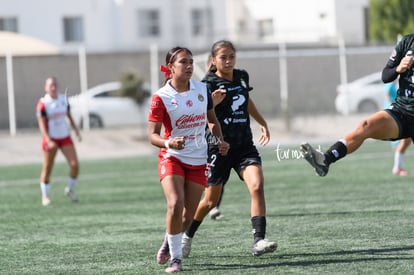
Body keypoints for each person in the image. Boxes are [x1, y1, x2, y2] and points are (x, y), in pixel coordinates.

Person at [182, 40, 277, 257]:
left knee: (257, 186)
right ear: (213, 61)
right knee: (210, 201)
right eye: (223, 57)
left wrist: (262, 122)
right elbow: (200, 116)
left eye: (231, 56)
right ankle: (188, 235)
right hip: (219, 148)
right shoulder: (207, 84)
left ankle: (259, 241)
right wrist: (212, 103)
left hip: (244, 145)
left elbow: (246, 100)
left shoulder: (242, 76)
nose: (228, 61)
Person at [148, 46, 229, 273]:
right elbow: (152, 135)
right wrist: (168, 143)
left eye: (191, 61)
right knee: (175, 204)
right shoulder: (160, 97)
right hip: (171, 157)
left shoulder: (202, 89)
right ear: (171, 67)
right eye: (183, 62)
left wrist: (219, 140)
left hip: (198, 158)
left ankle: (168, 240)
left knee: (188, 215)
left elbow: (212, 121)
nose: (189, 66)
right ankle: (176, 259)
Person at [300, 33, 414, 177]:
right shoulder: (407, 42)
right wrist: (398, 68)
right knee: (365, 126)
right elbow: (386, 76)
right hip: (402, 112)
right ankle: (325, 159)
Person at [36, 76, 81, 206]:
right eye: (50, 85)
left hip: (65, 137)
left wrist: (76, 131)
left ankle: (70, 189)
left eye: (55, 85)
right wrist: (48, 139)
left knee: (75, 165)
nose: (53, 88)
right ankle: (45, 196)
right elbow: (42, 124)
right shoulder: (43, 103)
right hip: (51, 139)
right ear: (46, 88)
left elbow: (69, 116)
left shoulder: (63, 99)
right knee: (48, 167)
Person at [384, 80, 411, 176]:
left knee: (406, 141)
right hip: (397, 113)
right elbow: (387, 96)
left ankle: (397, 167)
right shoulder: (390, 84)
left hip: (401, 112)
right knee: (403, 141)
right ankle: (397, 168)